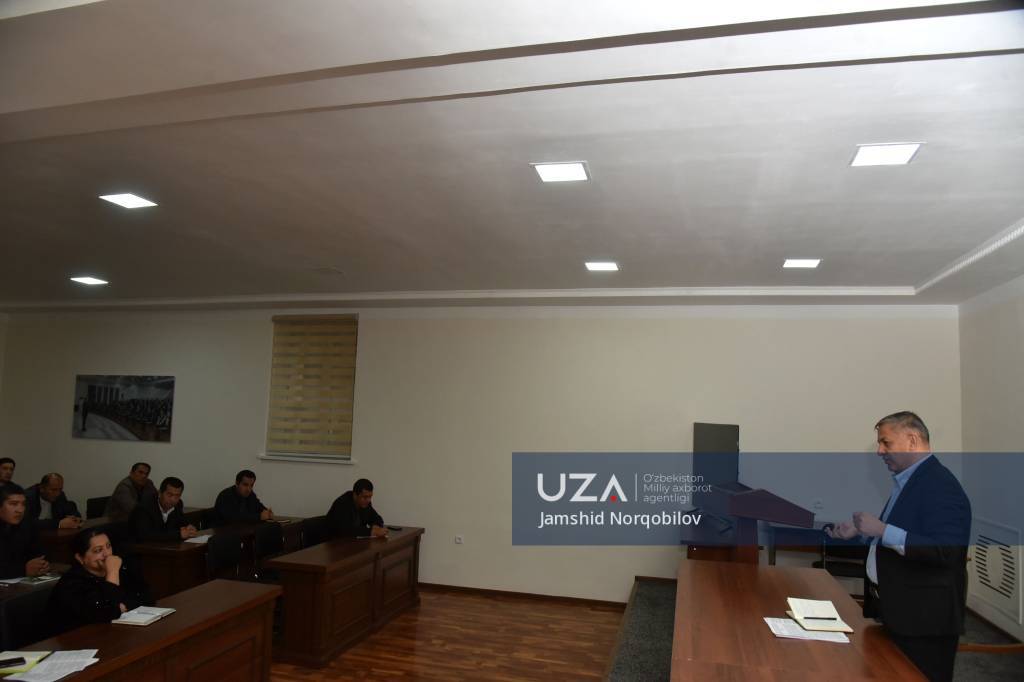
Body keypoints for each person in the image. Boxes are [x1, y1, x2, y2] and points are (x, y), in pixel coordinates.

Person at [827, 412, 970, 682]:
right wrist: (861, 531)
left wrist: (882, 530)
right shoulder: (909, 481)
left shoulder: (940, 485)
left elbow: (946, 551)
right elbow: (906, 536)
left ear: (912, 441)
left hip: (924, 622)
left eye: (886, 443)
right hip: (900, 613)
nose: (880, 451)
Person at [46, 528, 153, 635]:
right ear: (80, 558)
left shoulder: (121, 568)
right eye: (98, 550)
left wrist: (122, 606)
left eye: (108, 546)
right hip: (76, 638)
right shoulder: (71, 583)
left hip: (112, 633)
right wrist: (112, 574)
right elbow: (104, 613)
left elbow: (147, 597)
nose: (107, 554)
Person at [0, 483, 50, 578]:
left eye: (23, 504)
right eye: (13, 504)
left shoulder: (27, 525)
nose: (20, 510)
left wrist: (42, 565)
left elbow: (39, 554)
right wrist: (23, 570)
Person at [131, 476, 198, 542]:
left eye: (177, 496)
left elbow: (181, 522)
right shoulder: (144, 507)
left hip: (164, 546)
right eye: (169, 495)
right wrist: (178, 534)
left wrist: (189, 528)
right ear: (160, 493)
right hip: (138, 546)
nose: (173, 499)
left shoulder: (178, 504)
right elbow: (145, 535)